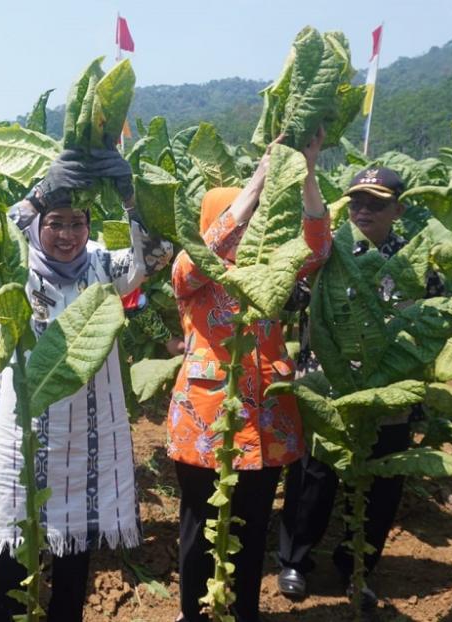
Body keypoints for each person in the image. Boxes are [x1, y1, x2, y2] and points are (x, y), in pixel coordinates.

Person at [0, 149, 173, 622]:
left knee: (74, 546)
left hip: (87, 434)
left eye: (77, 223)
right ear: (38, 227)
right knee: (15, 543)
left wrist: (128, 195)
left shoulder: (105, 267)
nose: (66, 236)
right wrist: (41, 190)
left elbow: (158, 253)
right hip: (23, 432)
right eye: (55, 223)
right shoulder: (15, 269)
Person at [167, 131, 331, 622]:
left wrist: (305, 174)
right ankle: (196, 614)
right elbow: (201, 256)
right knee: (201, 526)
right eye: (240, 219)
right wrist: (257, 182)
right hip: (206, 420)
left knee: (254, 526)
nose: (249, 229)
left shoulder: (275, 270)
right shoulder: (190, 271)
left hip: (266, 420)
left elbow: (318, 247)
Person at [277, 166, 444, 610]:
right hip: (325, 382)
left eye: (376, 203)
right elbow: (289, 297)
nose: (364, 210)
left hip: (386, 388)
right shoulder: (325, 252)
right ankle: (295, 560)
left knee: (382, 484)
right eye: (357, 202)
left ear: (397, 209)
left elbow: (433, 319)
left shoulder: (413, 258)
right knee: (312, 476)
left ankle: (358, 569)